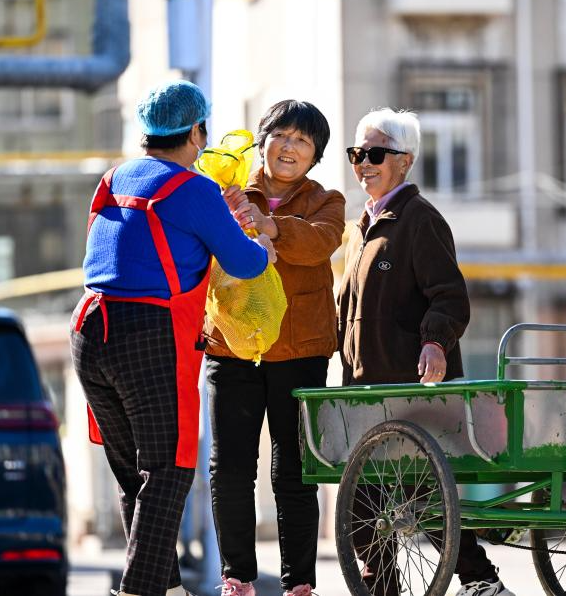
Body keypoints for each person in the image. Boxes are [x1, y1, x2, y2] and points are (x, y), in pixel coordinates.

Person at [71, 80, 276, 596]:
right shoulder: (193, 188)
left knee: (134, 477)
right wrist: (262, 245)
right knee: (169, 471)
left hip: (90, 328)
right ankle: (139, 593)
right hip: (147, 332)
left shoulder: (113, 179)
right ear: (195, 131)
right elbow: (244, 261)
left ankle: (167, 589)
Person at [337, 108, 515, 596]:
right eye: (357, 154)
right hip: (365, 391)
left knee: (424, 497)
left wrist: (435, 343)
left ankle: (480, 581)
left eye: (374, 154)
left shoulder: (420, 220)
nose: (363, 164)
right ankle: (382, 585)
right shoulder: (360, 229)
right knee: (363, 501)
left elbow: (450, 297)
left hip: (412, 391)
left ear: (404, 160)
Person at [204, 100, 346, 596]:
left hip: (301, 351)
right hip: (232, 348)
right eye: (281, 135)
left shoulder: (328, 201)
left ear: (315, 156)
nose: (289, 148)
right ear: (262, 141)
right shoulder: (227, 192)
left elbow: (322, 241)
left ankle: (300, 584)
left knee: (293, 471)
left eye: (302, 141)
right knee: (232, 468)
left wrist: (270, 226)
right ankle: (237, 578)